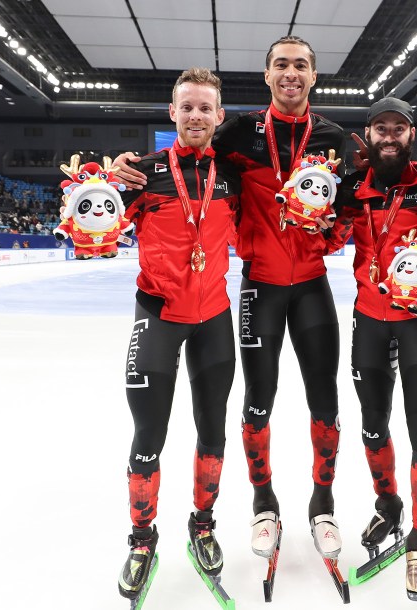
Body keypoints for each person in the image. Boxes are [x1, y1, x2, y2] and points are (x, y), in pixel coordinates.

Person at [114, 35, 348, 561]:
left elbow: (351, 202)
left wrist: (333, 233)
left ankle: (317, 506)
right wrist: (116, 171)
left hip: (300, 288)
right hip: (235, 293)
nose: (291, 73)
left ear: (314, 74)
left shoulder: (335, 140)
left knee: (319, 402)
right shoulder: (230, 140)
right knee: (200, 417)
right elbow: (100, 217)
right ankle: (159, 535)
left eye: (301, 65)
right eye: (281, 65)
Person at [328, 97, 417, 603]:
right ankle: (389, 505)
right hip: (368, 319)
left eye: (399, 128)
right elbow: (325, 234)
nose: (389, 136)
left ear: (411, 136)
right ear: (370, 134)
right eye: (380, 128)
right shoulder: (353, 188)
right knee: (372, 423)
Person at [113, 67, 241, 601]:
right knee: (149, 435)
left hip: (213, 316)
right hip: (158, 316)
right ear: (172, 113)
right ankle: (143, 539)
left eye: (204, 108)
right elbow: (94, 217)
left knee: (212, 432)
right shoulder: (141, 174)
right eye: (186, 107)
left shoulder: (235, 175)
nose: (195, 115)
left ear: (219, 117)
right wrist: (107, 177)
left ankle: (203, 523)